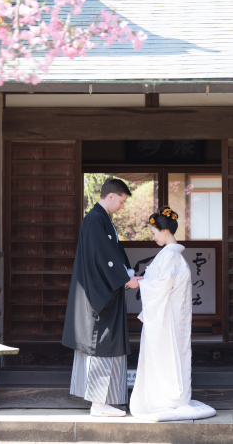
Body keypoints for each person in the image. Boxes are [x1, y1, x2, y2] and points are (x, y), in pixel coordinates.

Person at [62, 178, 143, 417]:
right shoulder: (95, 219)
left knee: (108, 344)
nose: (122, 206)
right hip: (98, 296)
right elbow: (102, 256)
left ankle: (106, 400)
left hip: (105, 291)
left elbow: (112, 254)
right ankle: (98, 404)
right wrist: (125, 279)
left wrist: (128, 274)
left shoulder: (101, 218)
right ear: (111, 196)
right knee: (101, 344)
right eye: (122, 201)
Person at [129, 207, 216, 422]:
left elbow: (161, 287)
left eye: (153, 233)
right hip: (171, 317)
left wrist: (141, 283)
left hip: (166, 319)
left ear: (165, 231)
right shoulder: (172, 255)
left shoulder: (169, 255)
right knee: (173, 356)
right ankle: (170, 397)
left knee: (166, 356)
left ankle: (165, 400)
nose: (153, 237)